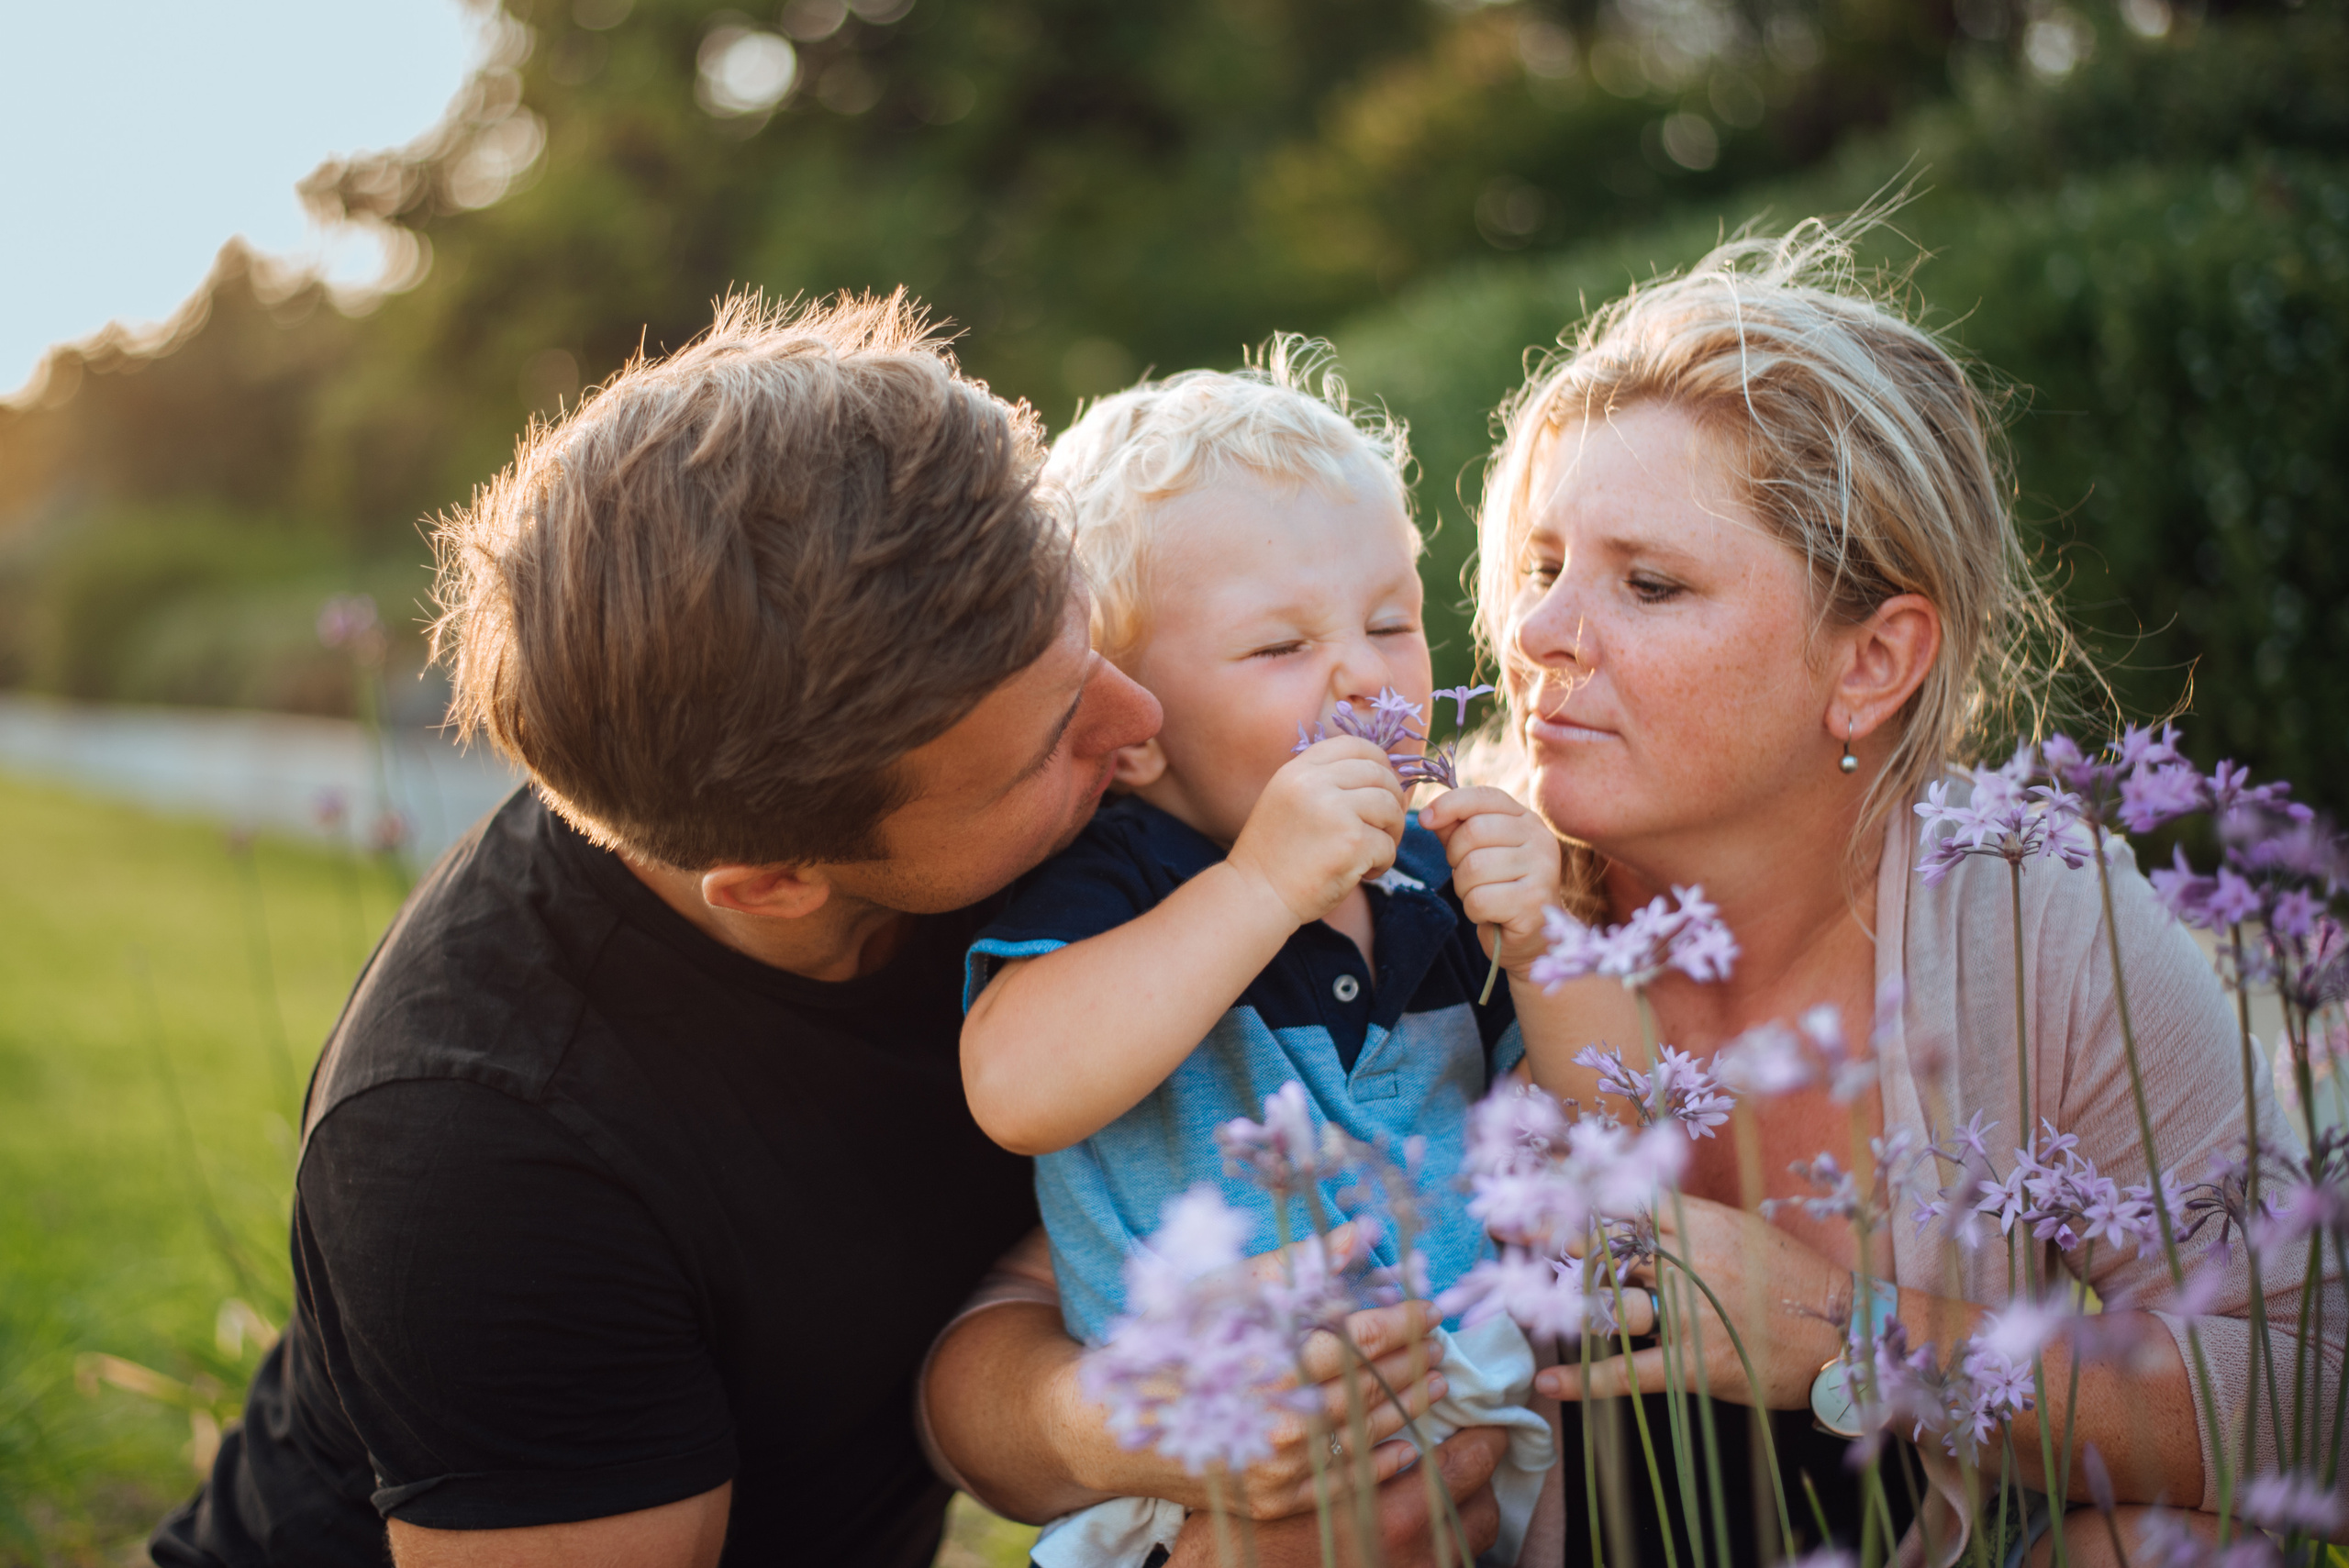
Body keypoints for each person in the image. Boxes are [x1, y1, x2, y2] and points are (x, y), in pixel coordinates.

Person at [149, 293, 1509, 1568]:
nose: (1136, 724)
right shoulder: (483, 1150)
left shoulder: (1080, 822)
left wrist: (1118, 1426)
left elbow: (1022, 1293)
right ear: (776, 879)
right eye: (1052, 737)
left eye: (1087, 642)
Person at [1461, 226, 2343, 1566]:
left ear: (1873, 661)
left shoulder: (2036, 918)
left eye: (1648, 583)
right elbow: (1034, 1338)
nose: (1535, 638)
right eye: (1541, 568)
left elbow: (2305, 1383)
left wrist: (1841, 1328)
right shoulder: (1436, 894)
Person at [956, 353, 1577, 1566]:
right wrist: (1258, 887)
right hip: (1210, 1483)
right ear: (1131, 728)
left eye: (1391, 620)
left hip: (1482, 1416)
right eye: (1279, 645)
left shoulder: (1432, 873)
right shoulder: (1128, 877)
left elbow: (1603, 1113)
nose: (1362, 670)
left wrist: (1547, 942)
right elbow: (1017, 1086)